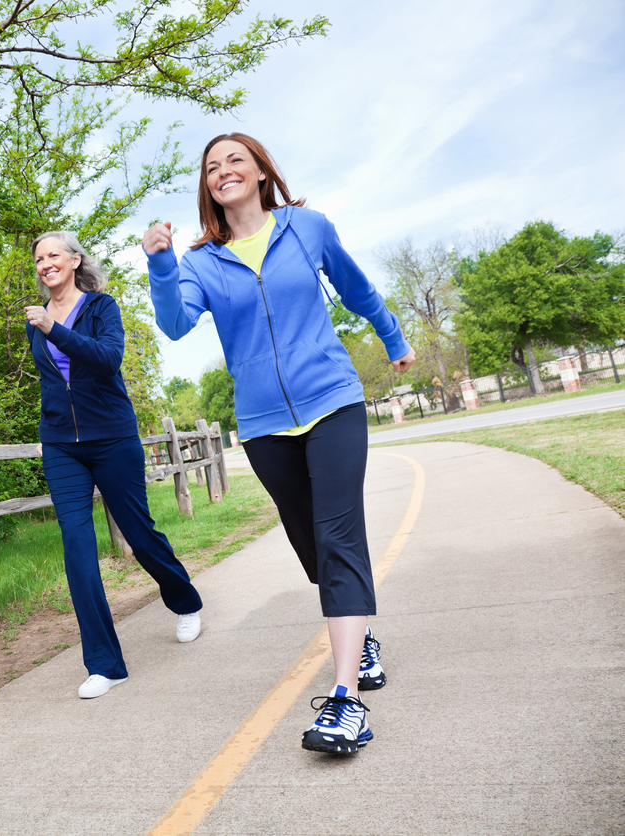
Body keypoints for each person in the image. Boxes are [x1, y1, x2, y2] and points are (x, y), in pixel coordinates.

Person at [141, 133, 415, 754]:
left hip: (332, 400)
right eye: (212, 167)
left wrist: (393, 338)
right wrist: (161, 264)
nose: (223, 171)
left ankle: (346, 701)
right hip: (264, 423)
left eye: (235, 159)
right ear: (207, 188)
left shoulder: (307, 227)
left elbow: (357, 288)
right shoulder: (202, 263)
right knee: (309, 540)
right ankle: (361, 632)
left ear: (262, 171)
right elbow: (176, 324)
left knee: (339, 533)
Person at [24, 231, 204, 700]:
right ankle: (105, 663)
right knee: (77, 548)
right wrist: (48, 434)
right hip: (62, 446)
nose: (45, 264)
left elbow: (108, 360)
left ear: (74, 259)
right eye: (38, 259)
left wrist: (52, 328)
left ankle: (185, 601)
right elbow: (51, 384)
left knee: (139, 533)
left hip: (112, 439)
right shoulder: (35, 319)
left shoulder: (102, 307)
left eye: (53, 255)